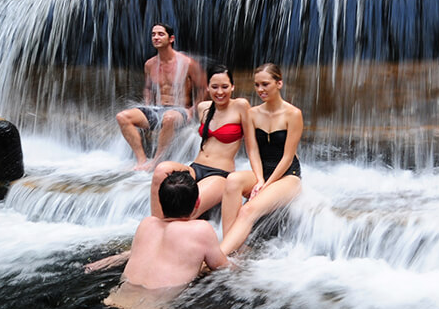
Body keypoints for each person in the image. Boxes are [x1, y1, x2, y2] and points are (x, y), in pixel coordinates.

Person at [84, 171, 229, 309]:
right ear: (197, 202)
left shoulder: (146, 224)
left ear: (160, 202)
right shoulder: (200, 229)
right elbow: (222, 267)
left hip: (113, 303)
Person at [219, 63, 303, 256]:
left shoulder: (293, 114)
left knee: (247, 210)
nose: (260, 90)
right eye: (257, 85)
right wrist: (259, 180)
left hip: (287, 175)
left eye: (265, 84)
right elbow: (253, 151)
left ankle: (218, 257)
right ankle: (233, 247)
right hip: (262, 172)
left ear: (279, 83)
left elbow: (288, 156)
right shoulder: (253, 113)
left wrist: (266, 184)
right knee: (232, 180)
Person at [150, 64, 251, 219]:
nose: (220, 92)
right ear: (208, 88)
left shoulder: (240, 106)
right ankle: (156, 224)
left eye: (225, 86)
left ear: (232, 87)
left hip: (220, 175)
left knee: (186, 208)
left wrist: (261, 178)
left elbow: (252, 147)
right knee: (161, 170)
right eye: (215, 87)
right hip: (195, 168)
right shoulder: (204, 107)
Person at [115, 23, 207, 171]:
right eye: (153, 34)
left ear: (171, 39)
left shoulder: (187, 63)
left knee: (169, 118)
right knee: (122, 116)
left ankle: (157, 160)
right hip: (156, 109)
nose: (156, 37)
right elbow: (148, 88)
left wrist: (192, 110)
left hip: (179, 110)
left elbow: (204, 88)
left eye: (160, 34)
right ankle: (142, 160)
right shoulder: (150, 64)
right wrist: (146, 105)